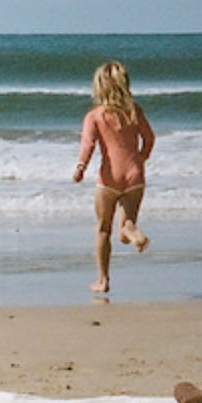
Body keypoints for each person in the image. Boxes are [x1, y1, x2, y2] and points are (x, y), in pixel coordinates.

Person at [73, 61, 155, 294]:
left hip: (108, 178)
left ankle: (103, 279)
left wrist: (80, 167)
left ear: (99, 87)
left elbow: (88, 145)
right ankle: (131, 228)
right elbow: (150, 139)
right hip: (134, 175)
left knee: (103, 229)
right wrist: (141, 159)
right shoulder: (135, 111)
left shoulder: (95, 116)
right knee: (124, 228)